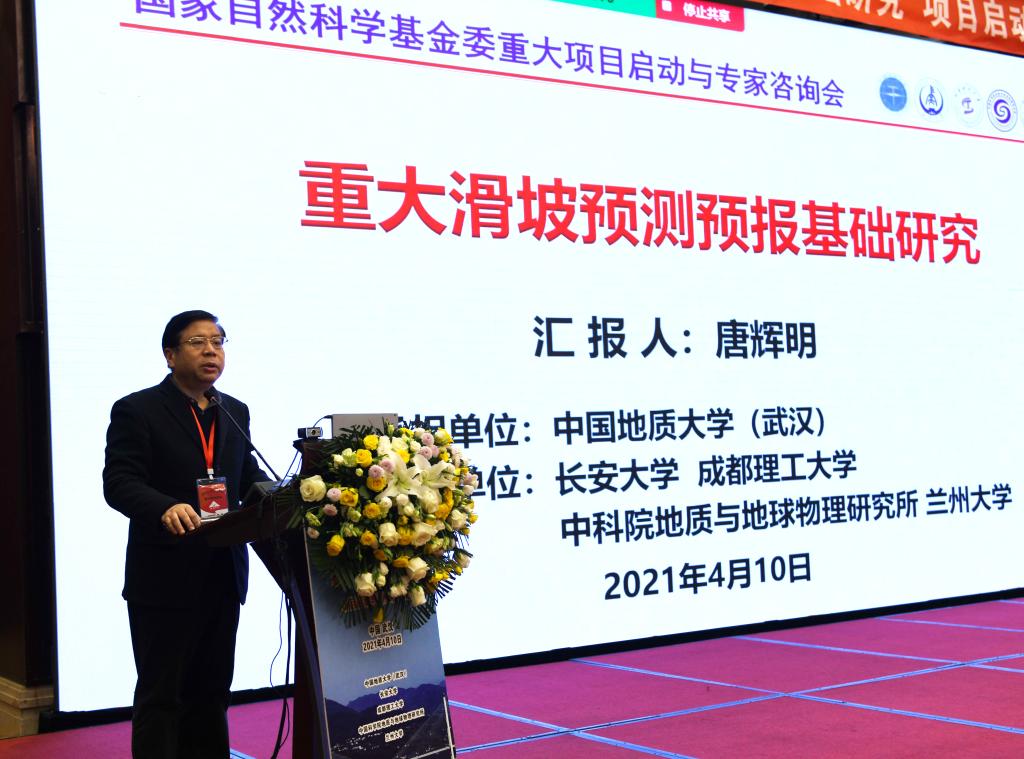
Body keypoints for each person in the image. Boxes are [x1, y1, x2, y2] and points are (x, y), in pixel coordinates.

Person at [103, 310, 268, 759]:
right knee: (162, 696)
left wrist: (285, 497)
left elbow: (246, 477)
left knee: (212, 692)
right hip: (165, 577)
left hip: (222, 572)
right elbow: (119, 482)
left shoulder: (234, 410)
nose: (211, 351)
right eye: (198, 342)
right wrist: (164, 506)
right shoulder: (137, 409)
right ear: (170, 355)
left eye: (218, 341)